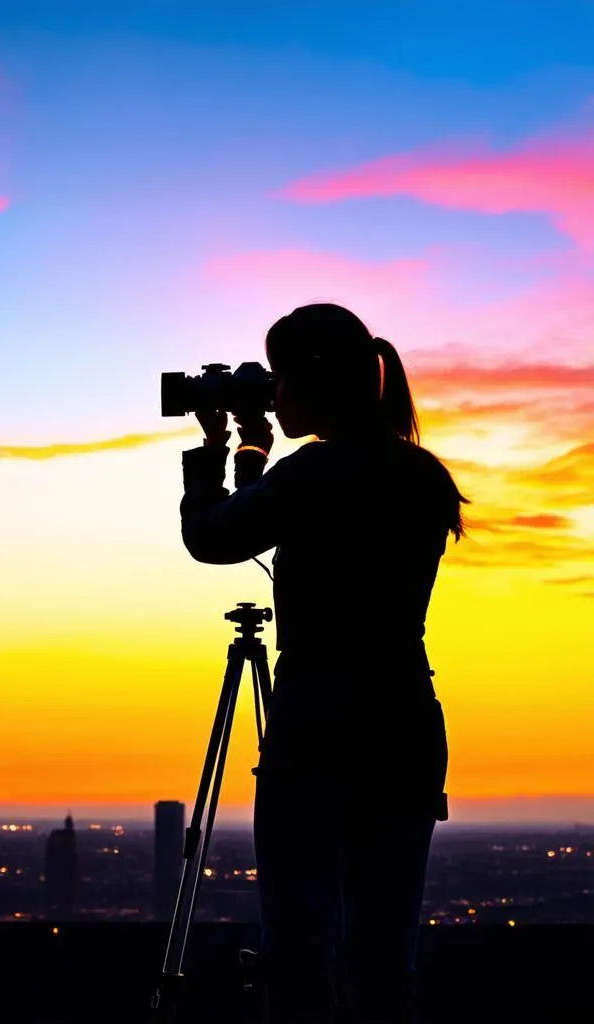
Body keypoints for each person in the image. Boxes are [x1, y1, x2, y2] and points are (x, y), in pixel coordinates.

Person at [179, 303, 468, 1024]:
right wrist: (255, 456)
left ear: (315, 381)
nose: (272, 395)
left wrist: (218, 452)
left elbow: (217, 537)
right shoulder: (418, 474)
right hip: (404, 718)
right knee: (383, 958)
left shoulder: (314, 473)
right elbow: (273, 512)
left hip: (316, 723)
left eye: (278, 378)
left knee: (300, 953)